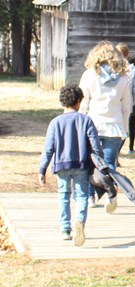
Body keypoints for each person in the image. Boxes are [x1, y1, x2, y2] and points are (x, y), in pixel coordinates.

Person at [38, 85, 102, 246]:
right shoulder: (86, 120)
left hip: (61, 165)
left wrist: (42, 169)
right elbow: (95, 145)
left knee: (63, 196)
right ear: (79, 101)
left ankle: (65, 229)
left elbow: (48, 148)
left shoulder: (55, 122)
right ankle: (79, 221)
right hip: (81, 164)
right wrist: (100, 162)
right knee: (81, 195)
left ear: (63, 102)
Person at [79, 40, 131, 212]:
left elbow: (84, 102)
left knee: (90, 163)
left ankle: (89, 196)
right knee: (108, 163)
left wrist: (80, 124)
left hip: (92, 124)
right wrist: (124, 127)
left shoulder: (89, 75)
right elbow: (127, 106)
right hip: (114, 126)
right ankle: (110, 193)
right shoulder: (123, 78)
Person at [116, 42, 135, 155]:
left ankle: (115, 151)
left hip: (114, 103)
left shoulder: (110, 68)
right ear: (128, 54)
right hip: (128, 102)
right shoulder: (133, 70)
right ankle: (129, 148)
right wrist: (131, 102)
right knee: (128, 127)